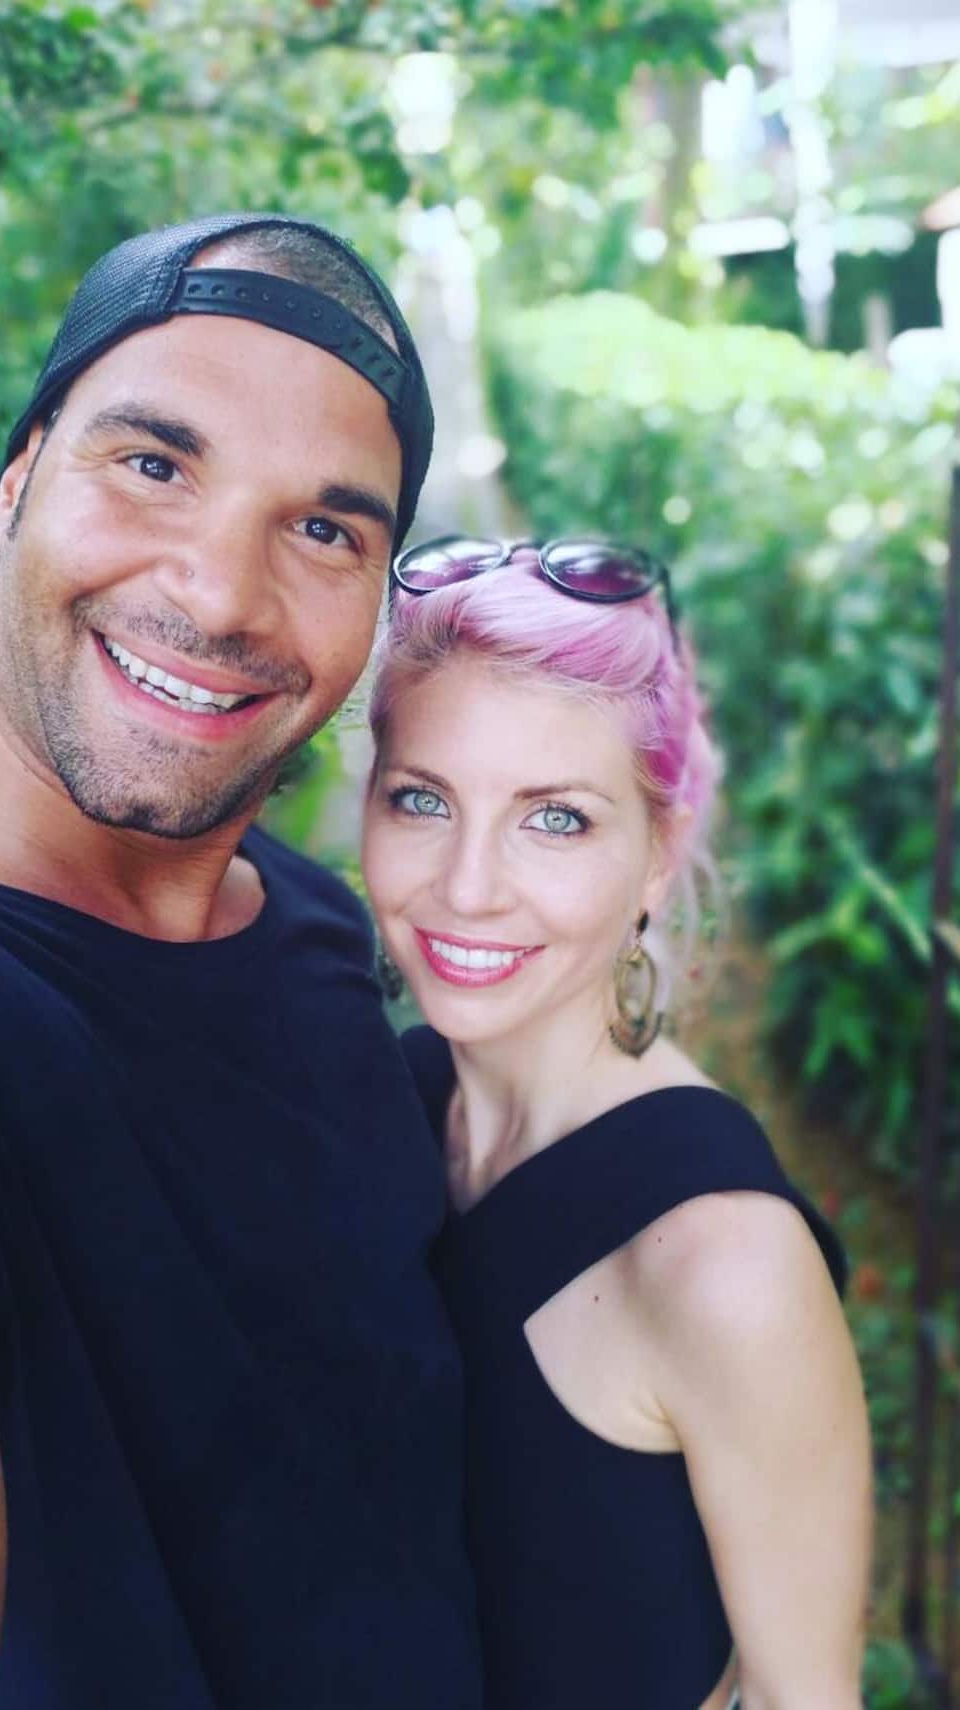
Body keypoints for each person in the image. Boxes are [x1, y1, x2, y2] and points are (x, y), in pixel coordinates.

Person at [0, 216, 483, 1709]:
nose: (223, 595)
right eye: (154, 464)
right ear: (15, 483)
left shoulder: (314, 929)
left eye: (325, 531)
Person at [361, 536, 873, 1710]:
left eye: (555, 819)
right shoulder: (383, 1101)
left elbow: (804, 1696)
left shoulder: (722, 1267)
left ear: (658, 855)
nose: (468, 887)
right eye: (423, 800)